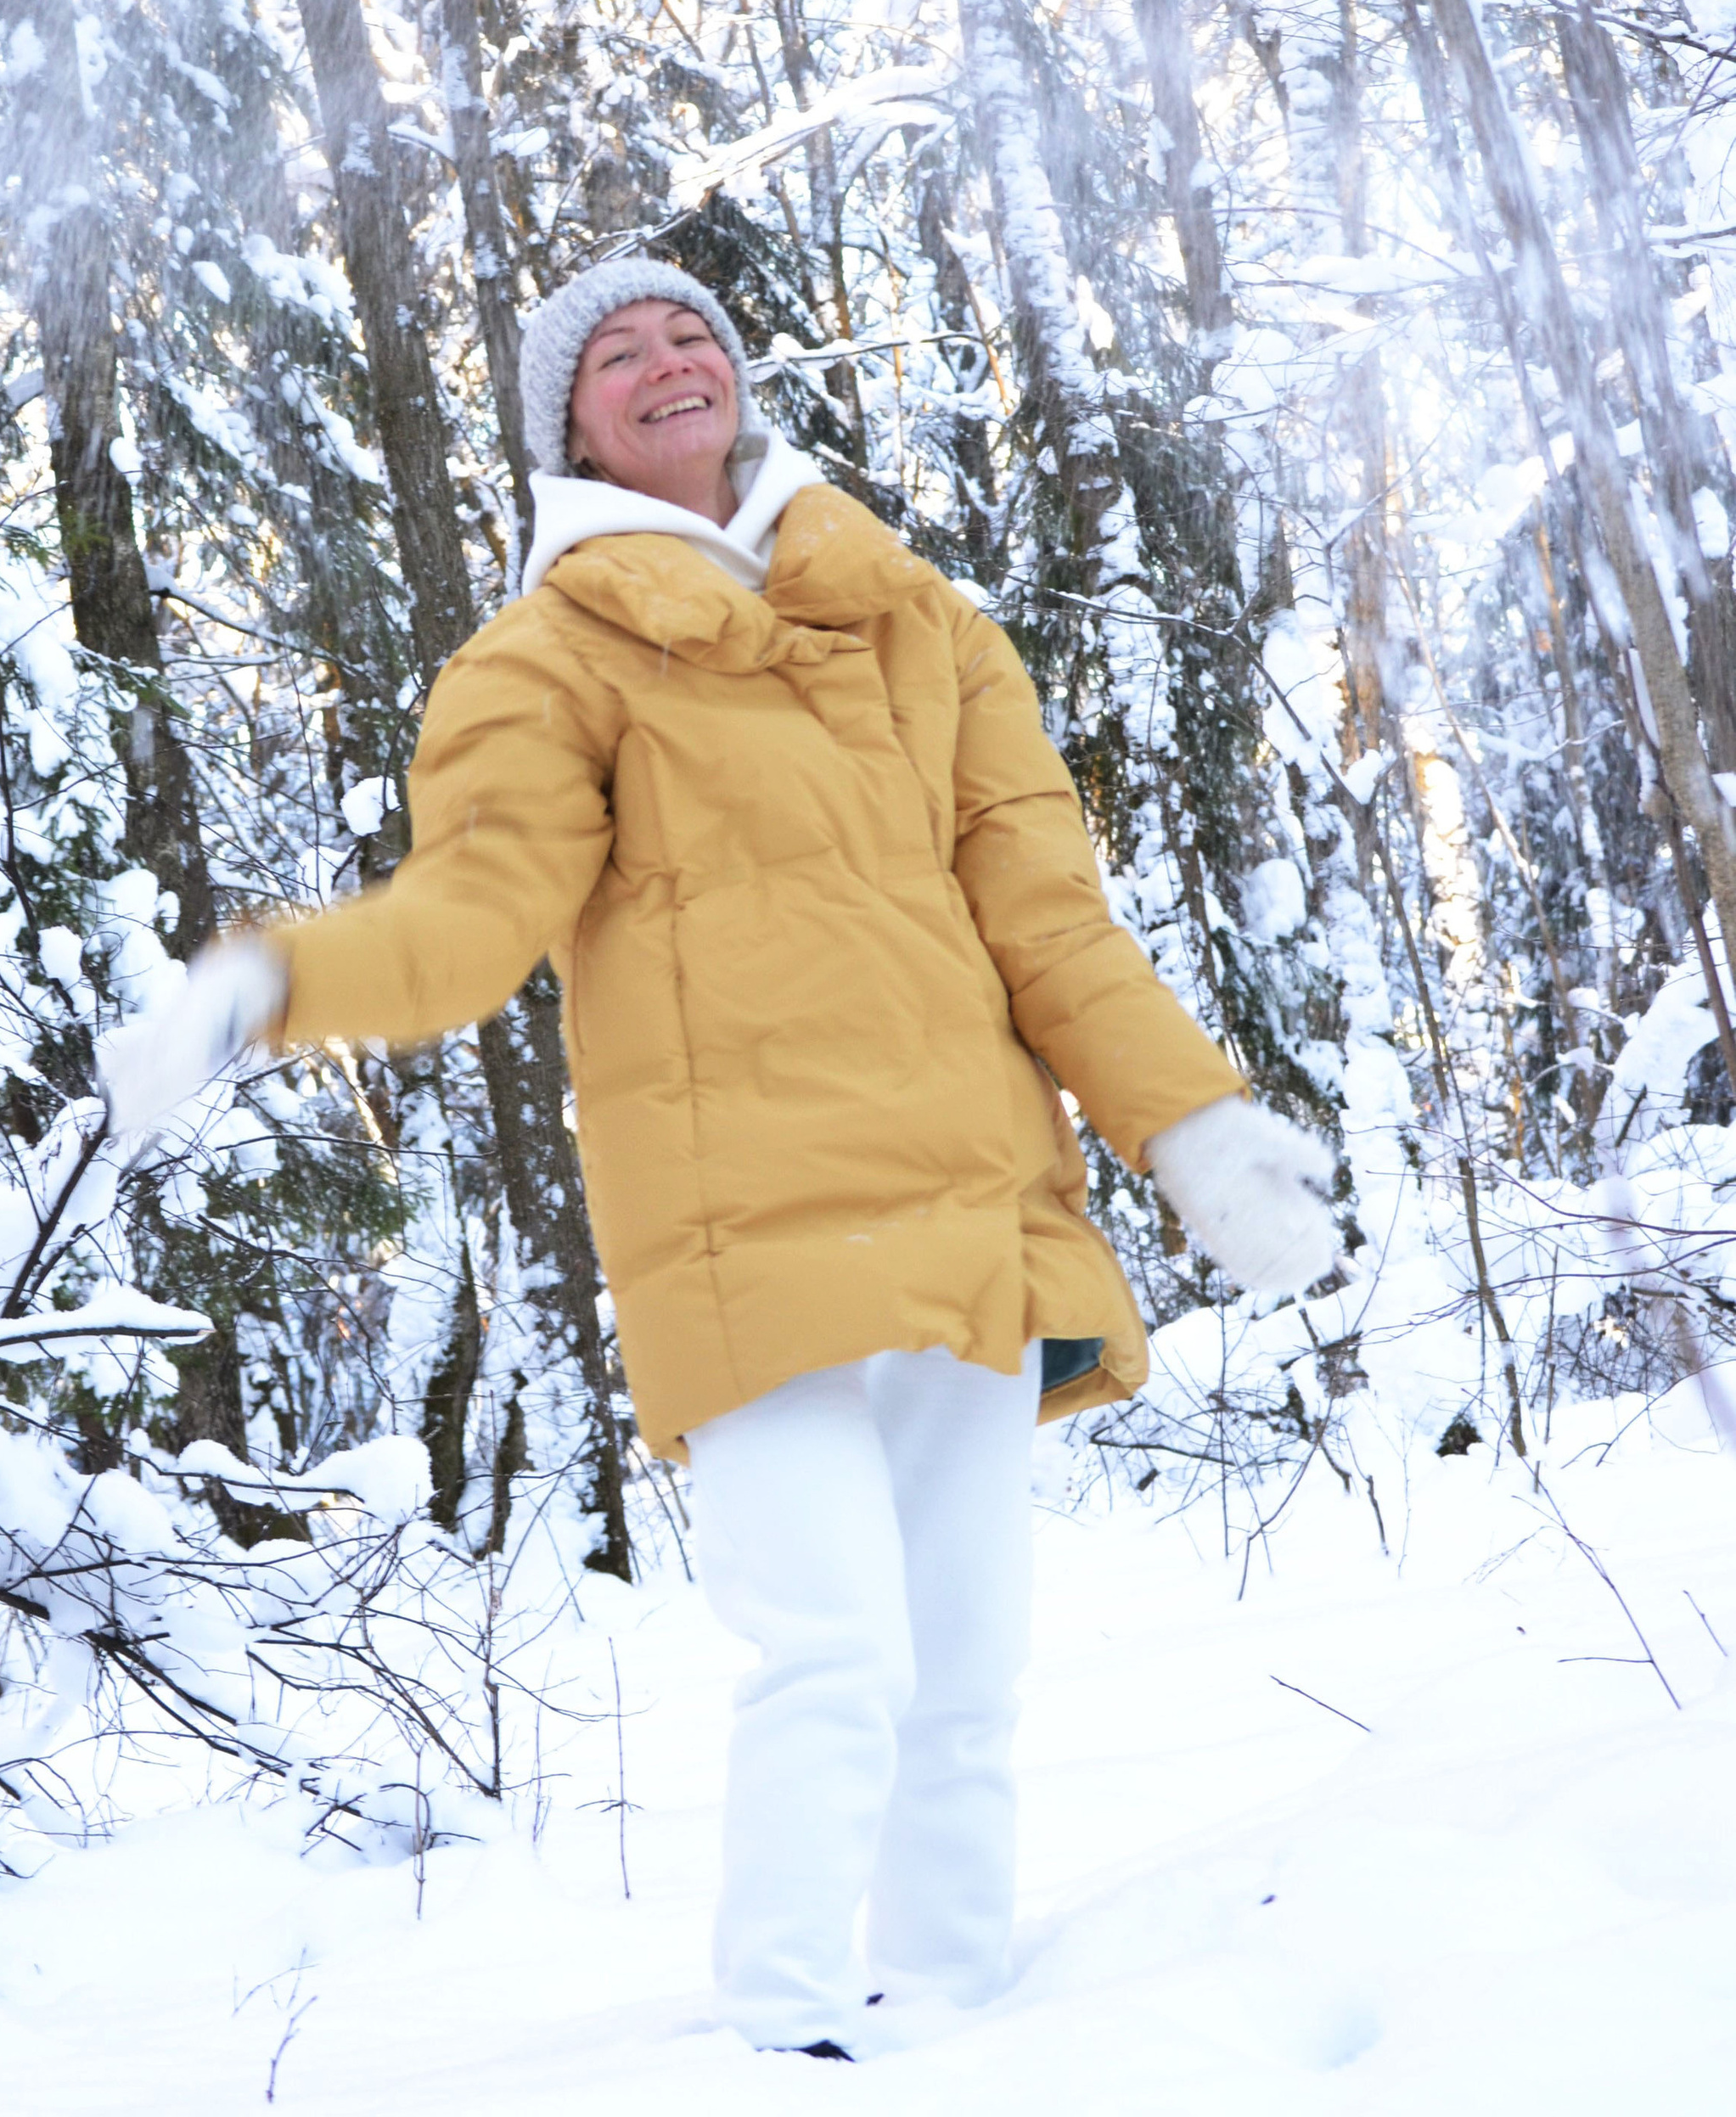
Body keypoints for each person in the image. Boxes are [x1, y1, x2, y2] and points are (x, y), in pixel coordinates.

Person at [98, 259, 1339, 2061]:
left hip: (970, 1204)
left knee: (962, 1676)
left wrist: (1187, 1124)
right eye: (616, 354)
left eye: (691, 335)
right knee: (837, 1652)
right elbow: (469, 916)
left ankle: (961, 2021)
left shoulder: (920, 619)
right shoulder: (544, 662)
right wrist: (278, 982)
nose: (667, 361)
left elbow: (1048, 920)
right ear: (570, 431)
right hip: (742, 1235)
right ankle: (784, 2036)